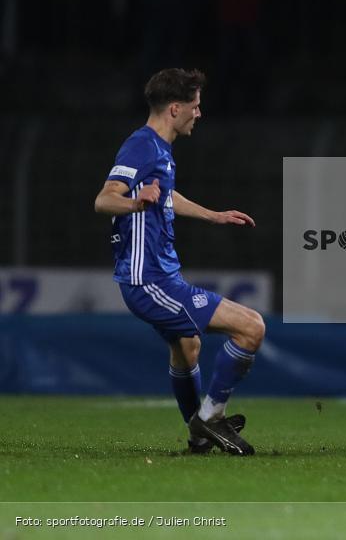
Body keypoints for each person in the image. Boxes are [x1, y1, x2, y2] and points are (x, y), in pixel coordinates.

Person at [94, 68, 263, 456]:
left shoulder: (159, 150)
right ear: (175, 108)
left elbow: (166, 196)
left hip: (159, 275)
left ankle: (199, 437)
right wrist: (136, 202)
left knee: (187, 348)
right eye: (195, 106)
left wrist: (214, 215)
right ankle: (211, 416)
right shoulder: (141, 145)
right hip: (148, 281)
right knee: (252, 328)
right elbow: (104, 199)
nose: (198, 114)